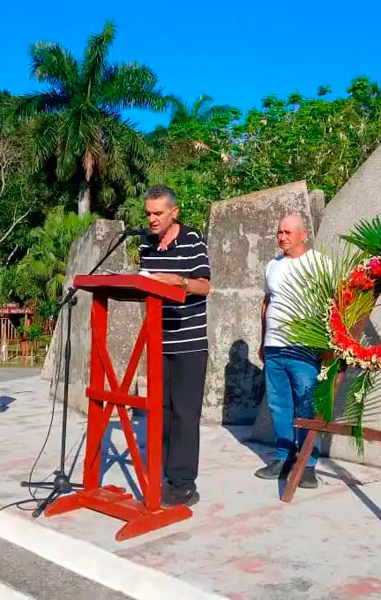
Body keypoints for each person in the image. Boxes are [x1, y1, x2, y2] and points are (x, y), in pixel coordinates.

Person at [139, 185, 211, 507]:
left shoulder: (192, 239)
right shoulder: (146, 242)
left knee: (184, 413)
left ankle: (183, 485)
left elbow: (204, 286)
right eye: (148, 214)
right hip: (158, 340)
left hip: (189, 343)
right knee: (161, 413)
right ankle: (165, 476)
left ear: (174, 212)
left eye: (158, 213)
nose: (152, 219)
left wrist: (177, 281)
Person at [255, 214, 327, 489]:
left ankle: (307, 463)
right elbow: (267, 302)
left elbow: (334, 302)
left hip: (304, 349)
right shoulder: (273, 265)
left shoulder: (320, 264)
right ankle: (283, 457)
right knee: (279, 405)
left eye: (287, 232)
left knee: (307, 404)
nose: (282, 237)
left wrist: (327, 345)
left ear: (302, 235)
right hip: (274, 346)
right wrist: (263, 339)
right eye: (279, 232)